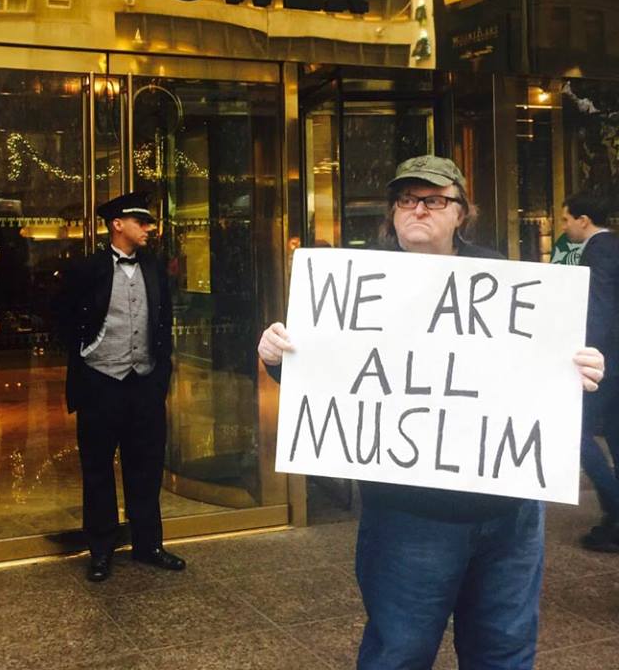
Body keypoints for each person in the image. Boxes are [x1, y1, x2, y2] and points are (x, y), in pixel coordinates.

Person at [258, 155, 605, 669]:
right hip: (408, 515)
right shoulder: (353, 282)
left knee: (505, 654)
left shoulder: (504, 279)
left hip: (509, 514)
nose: (418, 210)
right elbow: (333, 375)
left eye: (434, 200)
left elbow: (535, 371)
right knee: (398, 653)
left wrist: (579, 369)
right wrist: (278, 357)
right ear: (393, 211)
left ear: (461, 212)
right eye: (406, 199)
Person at [56, 191, 184, 583]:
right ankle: (101, 550)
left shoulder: (155, 267)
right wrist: (85, 349)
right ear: (117, 225)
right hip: (100, 382)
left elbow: (164, 319)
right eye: (141, 222)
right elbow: (60, 314)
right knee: (97, 468)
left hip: (143, 383)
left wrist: (159, 372)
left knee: (145, 466)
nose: (149, 228)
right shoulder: (86, 269)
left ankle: (148, 545)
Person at [561, 191, 619, 551]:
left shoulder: (597, 250)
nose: (563, 226)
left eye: (567, 219)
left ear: (584, 220)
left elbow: (597, 307)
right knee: (615, 435)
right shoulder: (615, 245)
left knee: (575, 433)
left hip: (606, 363)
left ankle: (614, 507)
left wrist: (586, 354)